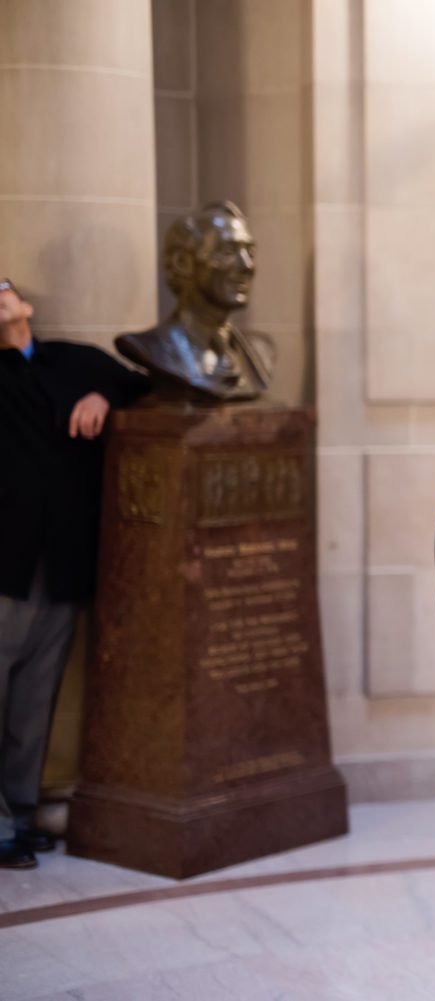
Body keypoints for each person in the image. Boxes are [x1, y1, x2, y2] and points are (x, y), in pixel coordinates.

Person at [0, 277, 149, 870]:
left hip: (62, 562)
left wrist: (102, 398)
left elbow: (141, 383)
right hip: (5, 564)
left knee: (35, 697)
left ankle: (22, 813)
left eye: (3, 288)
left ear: (27, 305)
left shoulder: (74, 360)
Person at [116, 200, 275, 402]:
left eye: (250, 252)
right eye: (227, 251)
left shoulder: (261, 352)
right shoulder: (153, 348)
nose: (247, 266)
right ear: (184, 263)